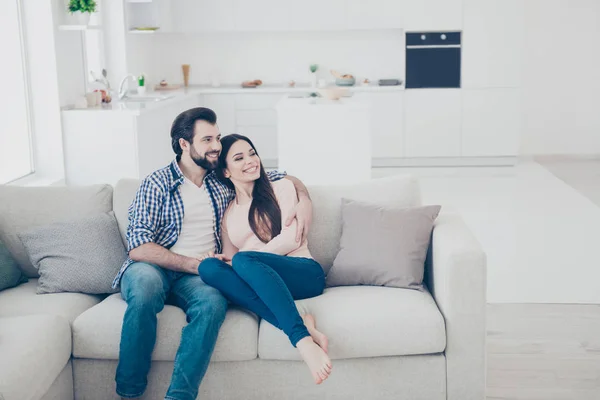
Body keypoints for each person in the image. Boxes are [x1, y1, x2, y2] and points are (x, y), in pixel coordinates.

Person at [112, 108, 313, 400]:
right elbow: (139, 246)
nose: (217, 146)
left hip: (200, 275)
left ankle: (179, 396)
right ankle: (129, 393)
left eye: (217, 138)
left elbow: (280, 176)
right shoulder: (156, 184)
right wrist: (191, 264)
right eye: (208, 139)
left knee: (212, 304)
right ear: (184, 144)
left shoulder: (221, 179)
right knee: (144, 289)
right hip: (153, 266)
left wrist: (305, 199)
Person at [199, 134, 332, 385]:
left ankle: (301, 341)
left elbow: (292, 238)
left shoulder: (281, 188)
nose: (251, 161)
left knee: (244, 262)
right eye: (239, 158)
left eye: (252, 153)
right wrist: (220, 261)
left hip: (304, 272)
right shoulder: (228, 215)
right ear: (226, 172)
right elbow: (230, 258)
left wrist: (246, 262)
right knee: (208, 268)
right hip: (264, 282)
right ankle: (303, 324)